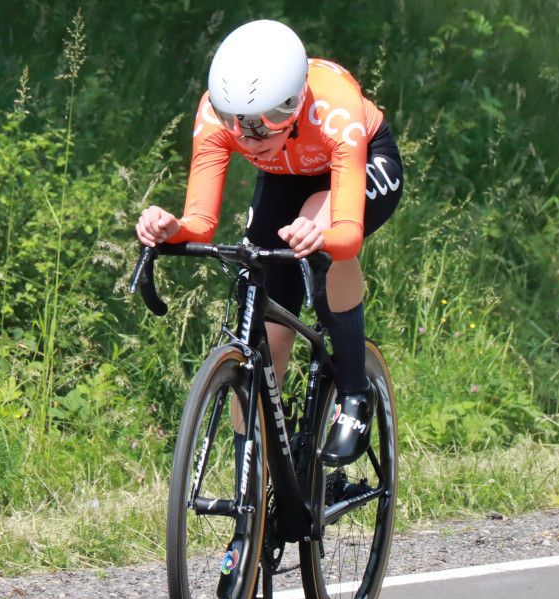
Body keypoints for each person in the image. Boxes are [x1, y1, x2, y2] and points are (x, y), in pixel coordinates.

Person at [135, 19, 403, 462]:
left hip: (363, 163)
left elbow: (349, 234)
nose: (247, 136)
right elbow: (200, 221)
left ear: (295, 102)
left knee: (320, 223)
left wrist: (322, 234)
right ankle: (254, 482)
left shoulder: (336, 107)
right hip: (286, 175)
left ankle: (355, 393)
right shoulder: (220, 116)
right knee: (263, 321)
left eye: (265, 123)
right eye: (235, 122)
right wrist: (171, 227)